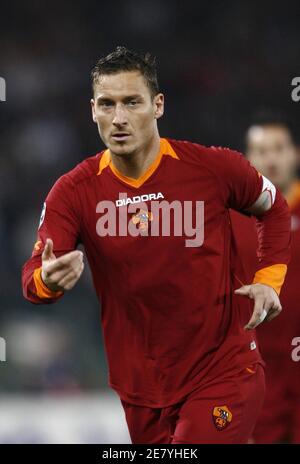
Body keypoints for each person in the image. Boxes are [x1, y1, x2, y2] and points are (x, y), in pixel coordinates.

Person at [22, 47, 291, 444]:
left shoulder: (213, 169)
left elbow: (275, 208)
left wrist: (269, 278)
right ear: (92, 110)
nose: (119, 118)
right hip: (141, 391)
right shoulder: (73, 193)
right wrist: (48, 280)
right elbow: (33, 277)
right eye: (107, 105)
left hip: (224, 371)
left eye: (132, 102)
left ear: (158, 105)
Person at [230, 113, 300, 443]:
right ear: (248, 159)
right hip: (254, 366)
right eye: (261, 150)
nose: (271, 158)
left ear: (294, 154)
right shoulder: (230, 217)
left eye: (278, 148)